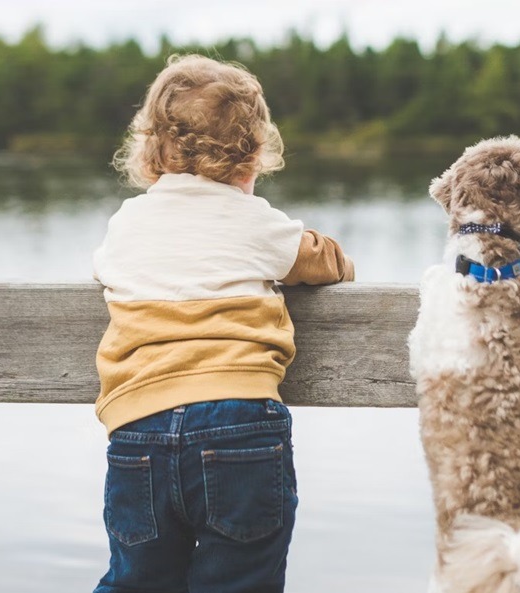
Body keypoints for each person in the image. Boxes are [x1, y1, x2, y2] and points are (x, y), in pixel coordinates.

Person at [91, 54, 354, 593]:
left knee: (136, 582)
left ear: (150, 151)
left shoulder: (126, 223)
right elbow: (331, 265)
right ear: (255, 153)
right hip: (241, 425)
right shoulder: (257, 223)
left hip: (138, 428)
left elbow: (106, 270)